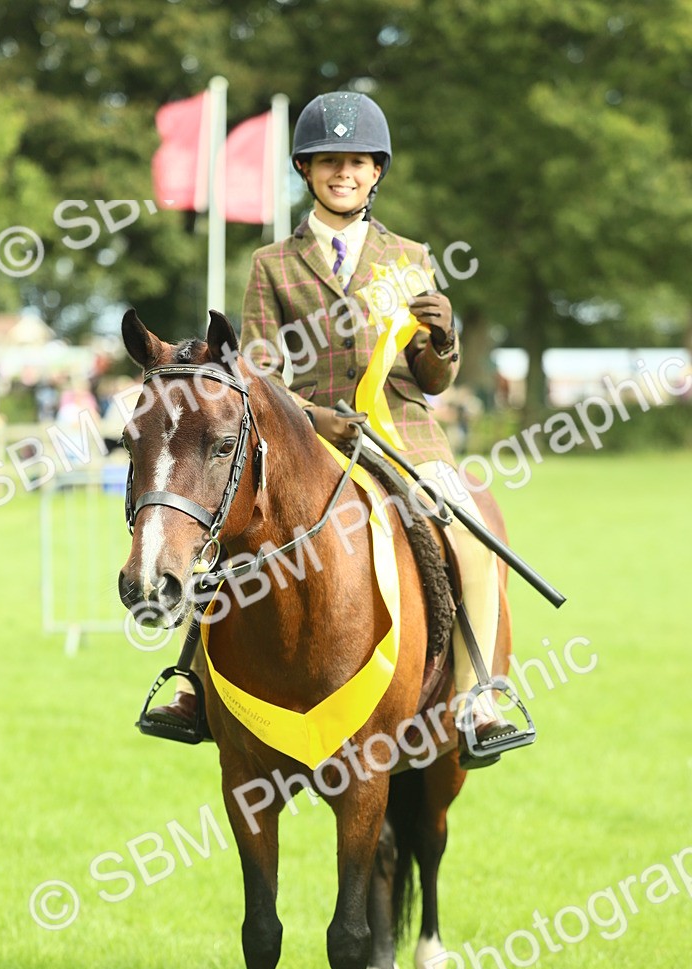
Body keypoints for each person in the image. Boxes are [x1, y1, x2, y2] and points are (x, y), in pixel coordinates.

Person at [155, 91, 518, 768]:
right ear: (306, 170)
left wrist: (442, 340)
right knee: (228, 536)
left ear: (376, 171)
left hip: (405, 432)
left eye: (354, 161)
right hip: (307, 435)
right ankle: (193, 685)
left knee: (470, 530)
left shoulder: (409, 258)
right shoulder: (274, 264)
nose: (341, 173)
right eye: (327, 162)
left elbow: (430, 378)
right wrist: (315, 417)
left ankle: (478, 696)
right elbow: (258, 371)